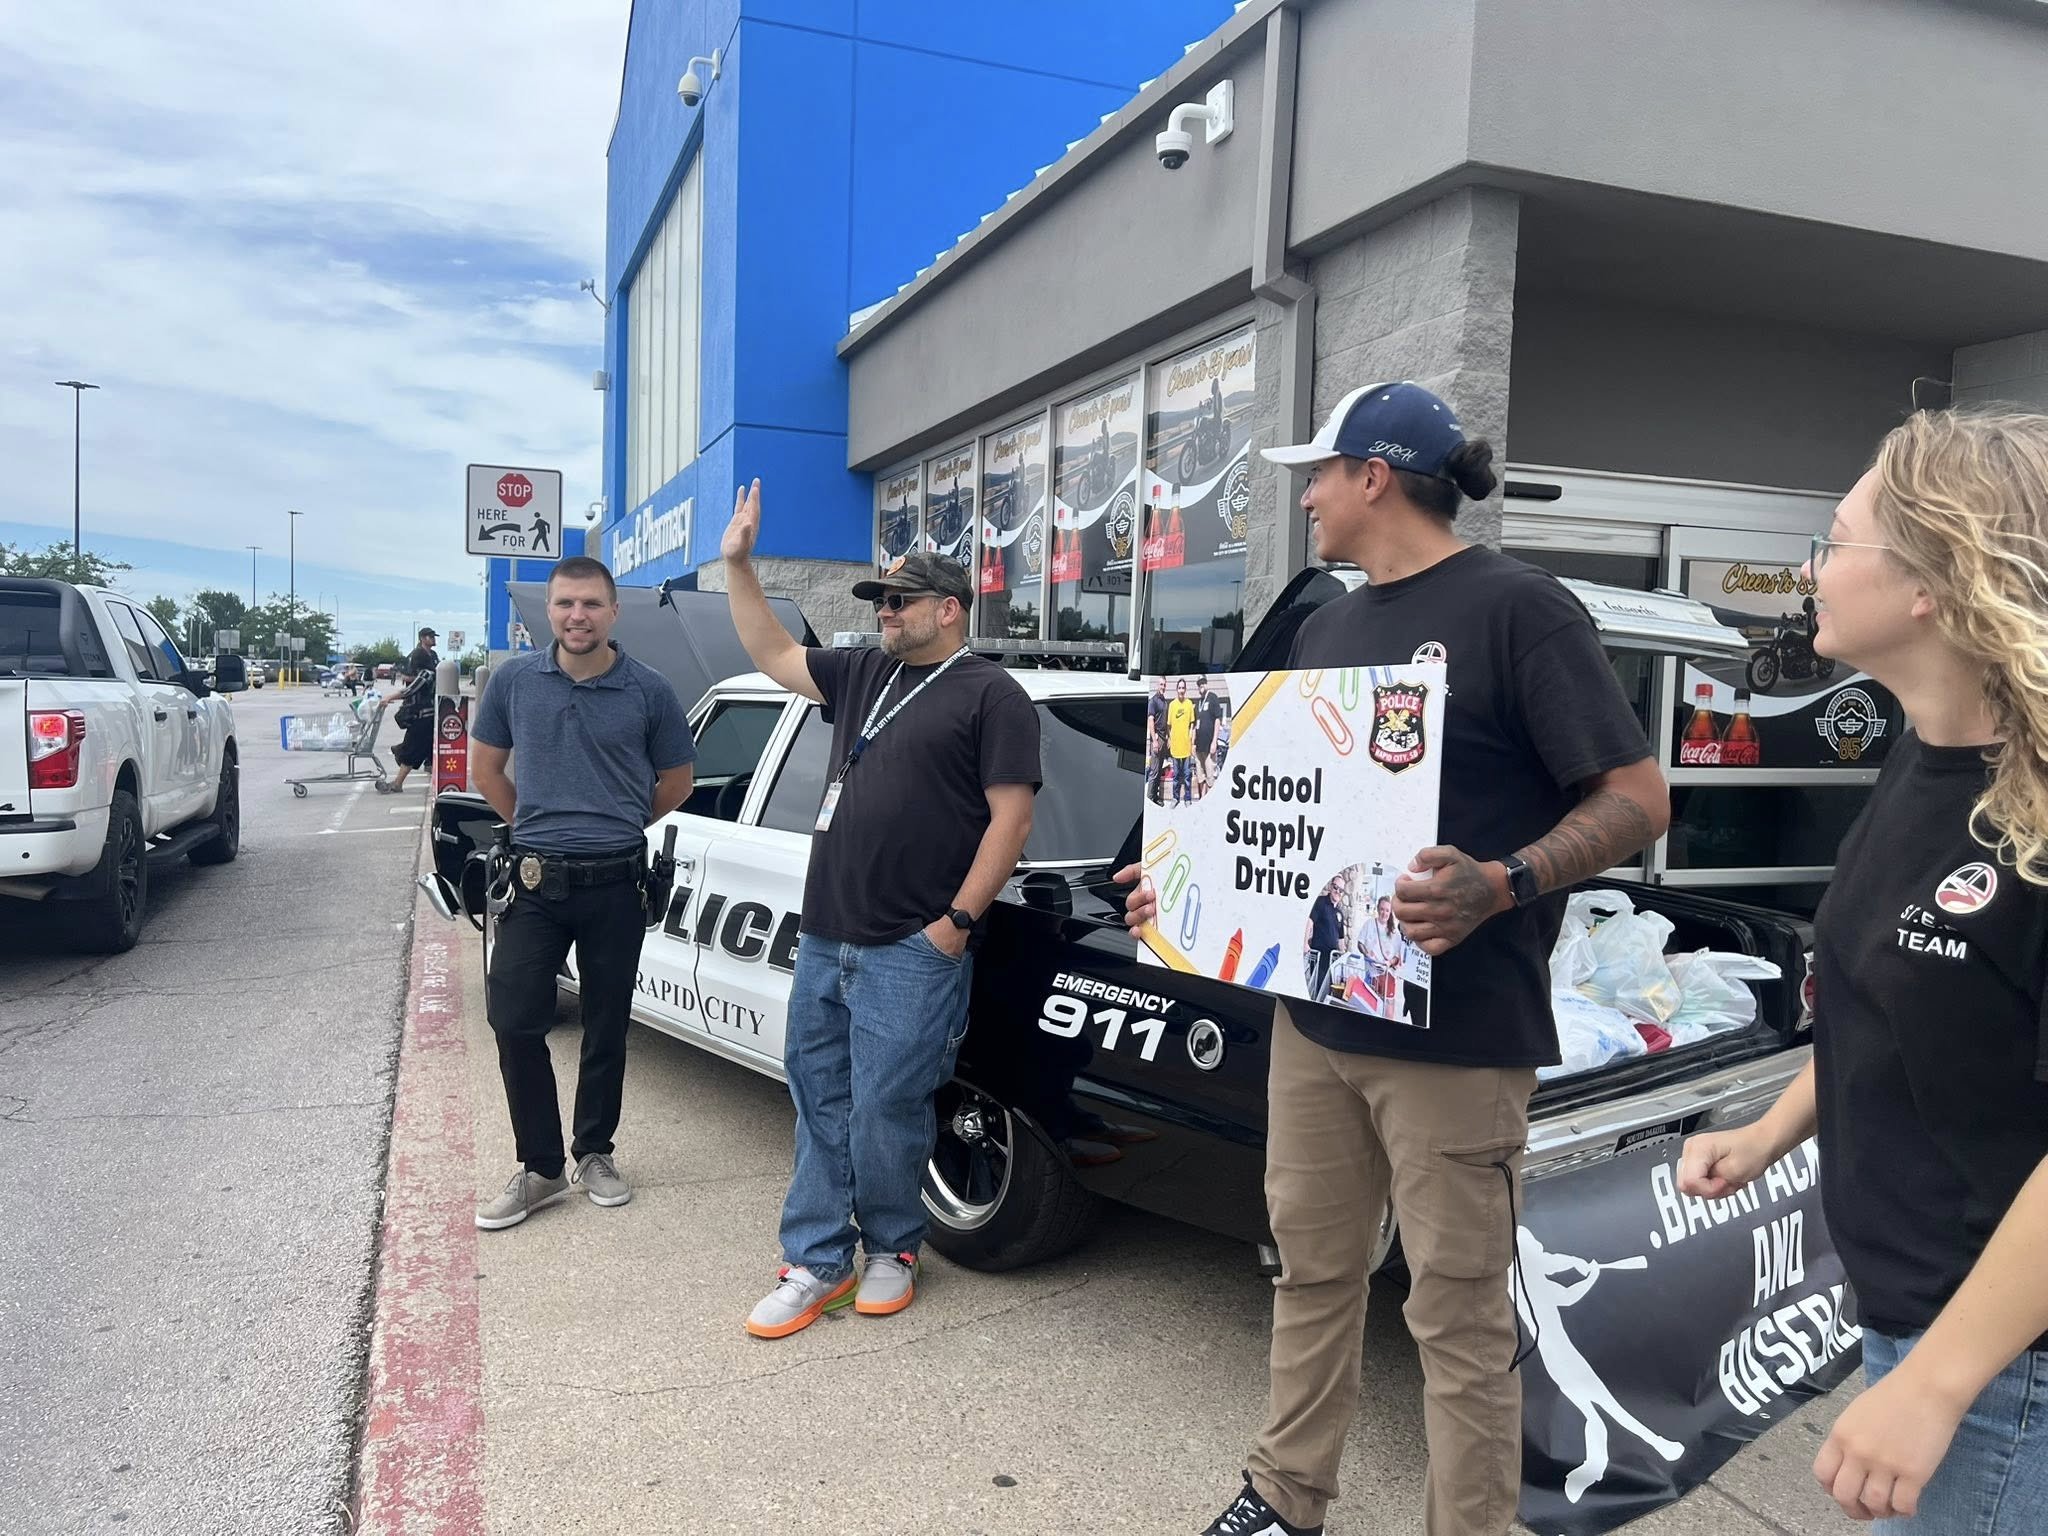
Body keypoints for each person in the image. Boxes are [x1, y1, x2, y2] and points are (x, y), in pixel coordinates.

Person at [1119, 380, 1670, 1536]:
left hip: (1457, 1038)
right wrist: (1182, 882)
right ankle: (1282, 1496)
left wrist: (1502, 883)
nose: (1306, 496)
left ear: (1374, 475)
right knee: (1309, 1273)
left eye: (1316, 474)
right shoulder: (1328, 623)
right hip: (1316, 1022)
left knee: (1456, 1317)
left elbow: (1633, 797)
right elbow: (1290, 812)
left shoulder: (1520, 610)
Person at [1680, 409, 2048, 1533]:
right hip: (1915, 1318)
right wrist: (1769, 1129)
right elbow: (1887, 1011)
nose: (1808, 570)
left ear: (1931, 582)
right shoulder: (1918, 759)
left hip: (2001, 1365)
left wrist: (1934, 1385)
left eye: (1832, 540)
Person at [720, 480, 1040, 1337]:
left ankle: (894, 1250)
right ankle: (815, 1262)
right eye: (882, 603)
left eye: (899, 603)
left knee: (888, 1110)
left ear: (949, 608)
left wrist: (955, 926)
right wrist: (739, 565)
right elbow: (771, 653)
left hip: (913, 945)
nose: (885, 615)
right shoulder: (863, 673)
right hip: (827, 936)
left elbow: (1011, 816)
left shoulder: (990, 695)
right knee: (819, 1101)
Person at [466, 558, 696, 1230]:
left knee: (605, 1027)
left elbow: (676, 783)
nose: (577, 616)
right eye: (566, 603)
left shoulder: (649, 691)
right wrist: (535, 826)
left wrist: (618, 822)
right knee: (513, 1019)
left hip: (616, 885)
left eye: (591, 604)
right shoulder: (514, 681)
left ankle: (594, 1151)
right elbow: (486, 770)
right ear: (552, 609)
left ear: (613, 612)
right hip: (535, 884)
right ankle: (541, 1169)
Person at [377, 626, 440, 793]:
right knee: (425, 747)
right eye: (431, 636)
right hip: (427, 713)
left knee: (413, 748)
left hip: (423, 715)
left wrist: (390, 697)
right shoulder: (428, 670)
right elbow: (410, 685)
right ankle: (403, 759)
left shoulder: (427, 674)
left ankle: (398, 781)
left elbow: (409, 690)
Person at [1193, 675, 1228, 791]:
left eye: (1203, 682)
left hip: (1209, 747)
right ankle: (1202, 800)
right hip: (1198, 748)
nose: (1201, 685)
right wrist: (1193, 743)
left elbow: (1217, 720)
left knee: (1210, 777)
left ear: (1206, 683)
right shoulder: (1198, 702)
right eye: (1199, 683)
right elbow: (1194, 726)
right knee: (1200, 777)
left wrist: (1214, 742)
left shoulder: (1213, 697)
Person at [1167, 678, 1198, 805]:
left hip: (1186, 747)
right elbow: (1169, 726)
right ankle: (1175, 798)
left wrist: (1191, 737)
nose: (1181, 690)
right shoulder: (1172, 705)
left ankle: (1187, 798)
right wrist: (1170, 738)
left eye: (1183, 688)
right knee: (1175, 777)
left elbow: (1192, 724)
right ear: (1176, 690)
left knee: (1187, 776)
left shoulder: (1189, 704)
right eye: (1179, 688)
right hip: (1175, 747)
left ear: (1185, 690)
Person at [1147, 676, 1172, 806]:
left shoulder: (1164, 702)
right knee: (1154, 771)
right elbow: (1151, 721)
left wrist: (1168, 737)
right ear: (1158, 685)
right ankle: (1149, 799)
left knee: (1159, 770)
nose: (1163, 687)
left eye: (1164, 685)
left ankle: (1155, 796)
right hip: (1156, 739)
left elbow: (1165, 723)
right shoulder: (1154, 701)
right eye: (1161, 684)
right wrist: (1154, 740)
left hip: (1164, 738)